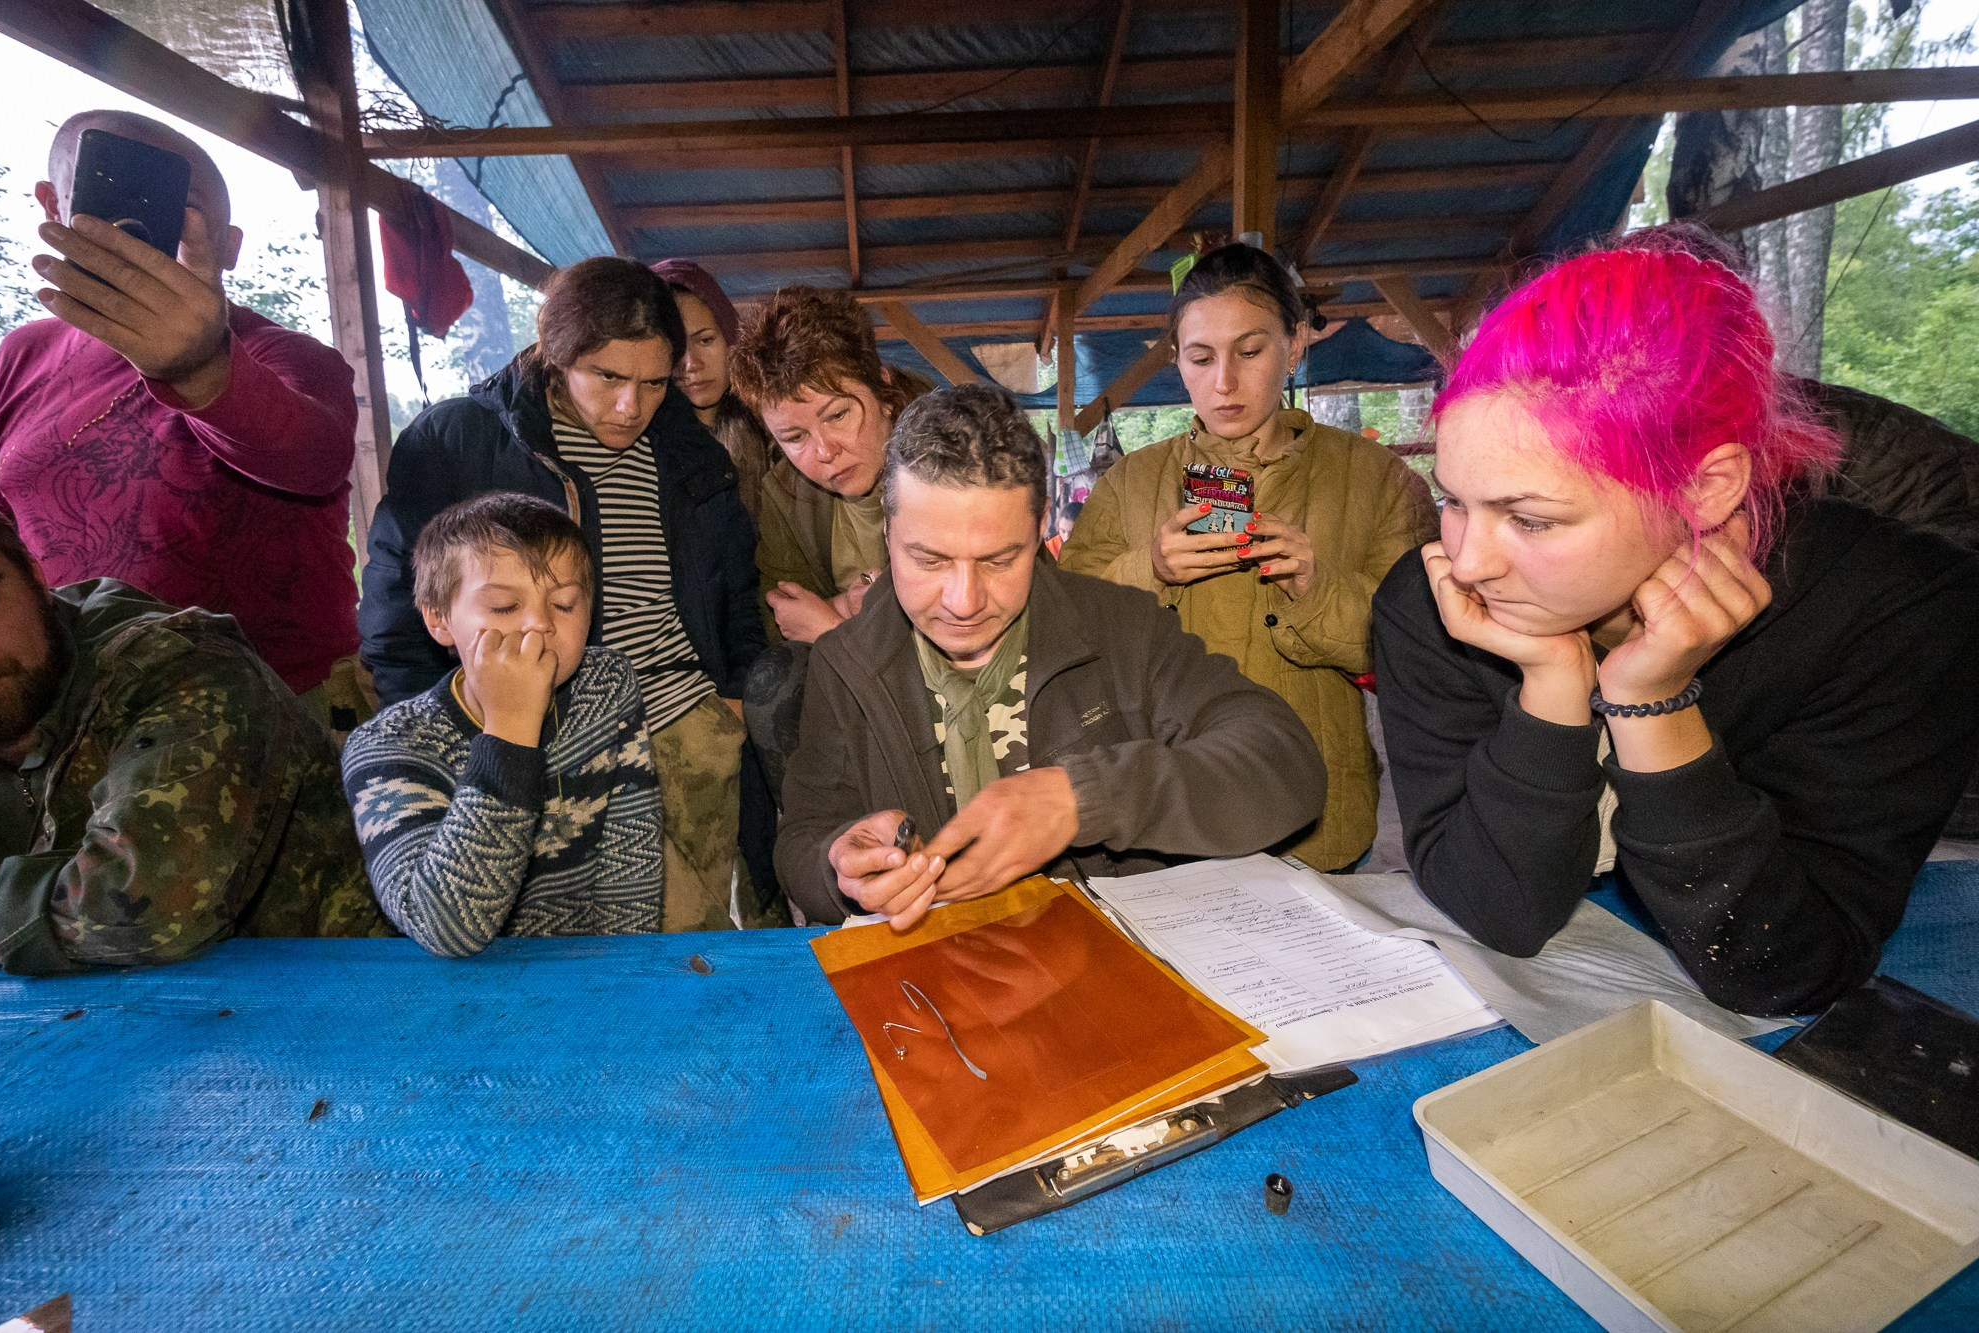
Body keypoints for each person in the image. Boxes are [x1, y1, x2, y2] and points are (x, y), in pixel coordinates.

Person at [1371, 232, 1979, 1017]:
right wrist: (1554, 686)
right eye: (1453, 500)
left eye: (1530, 518)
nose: (1469, 560)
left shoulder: (1900, 608)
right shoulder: (1426, 601)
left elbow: (1783, 968)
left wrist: (1652, 702)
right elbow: (1502, 912)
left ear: (1707, 487)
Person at [776, 383, 1326, 928]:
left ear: (1039, 529)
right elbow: (804, 836)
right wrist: (841, 867)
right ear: (889, 536)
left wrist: (1087, 799)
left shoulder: (1122, 629)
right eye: (930, 561)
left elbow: (1284, 763)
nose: (963, 602)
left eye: (999, 560)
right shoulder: (843, 664)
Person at [358, 257, 766, 933]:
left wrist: (735, 699)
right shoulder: (463, 443)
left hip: (688, 728)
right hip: (544, 741)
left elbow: (736, 590)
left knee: (698, 943)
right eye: (607, 377)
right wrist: (456, 739)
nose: (630, 406)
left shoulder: (690, 453)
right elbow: (402, 616)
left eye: (654, 383)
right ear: (557, 351)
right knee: (543, 941)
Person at [1061, 243, 1436, 872]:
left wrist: (1317, 588)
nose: (1224, 382)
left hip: (1317, 812)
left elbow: (1421, 657)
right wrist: (1145, 569)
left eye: (1251, 351)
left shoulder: (1377, 481)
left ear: (1293, 347)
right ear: (1177, 362)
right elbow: (1062, 626)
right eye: (1201, 358)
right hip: (1165, 811)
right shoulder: (1129, 484)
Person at [0, 110, 362, 710]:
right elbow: (5, 529)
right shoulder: (21, 354)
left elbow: (314, 456)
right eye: (107, 200)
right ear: (52, 206)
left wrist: (201, 369)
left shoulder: (282, 355)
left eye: (178, 217)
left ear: (228, 247)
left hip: (268, 709)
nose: (140, 235)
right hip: (79, 709)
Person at [0, 501, 387, 976]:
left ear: (35, 578)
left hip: (339, 1000)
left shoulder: (181, 667)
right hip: (96, 1025)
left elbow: (139, 909)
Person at [343, 494, 663, 956]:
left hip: (591, 971)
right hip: (457, 989)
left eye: (566, 604)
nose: (538, 624)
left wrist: (623, 974)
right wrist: (510, 729)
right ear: (439, 619)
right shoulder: (388, 748)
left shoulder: (607, 686)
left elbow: (630, 871)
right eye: (504, 607)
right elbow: (448, 930)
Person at [726, 285, 932, 644]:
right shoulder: (784, 492)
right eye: (794, 437)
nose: (824, 451)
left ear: (883, 392)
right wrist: (845, 609)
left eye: (838, 415)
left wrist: (834, 629)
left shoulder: (955, 458)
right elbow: (781, 619)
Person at [651, 258, 776, 526]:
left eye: (705, 340)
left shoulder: (777, 428)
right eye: (674, 347)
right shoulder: (646, 447)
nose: (691, 364)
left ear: (731, 336)